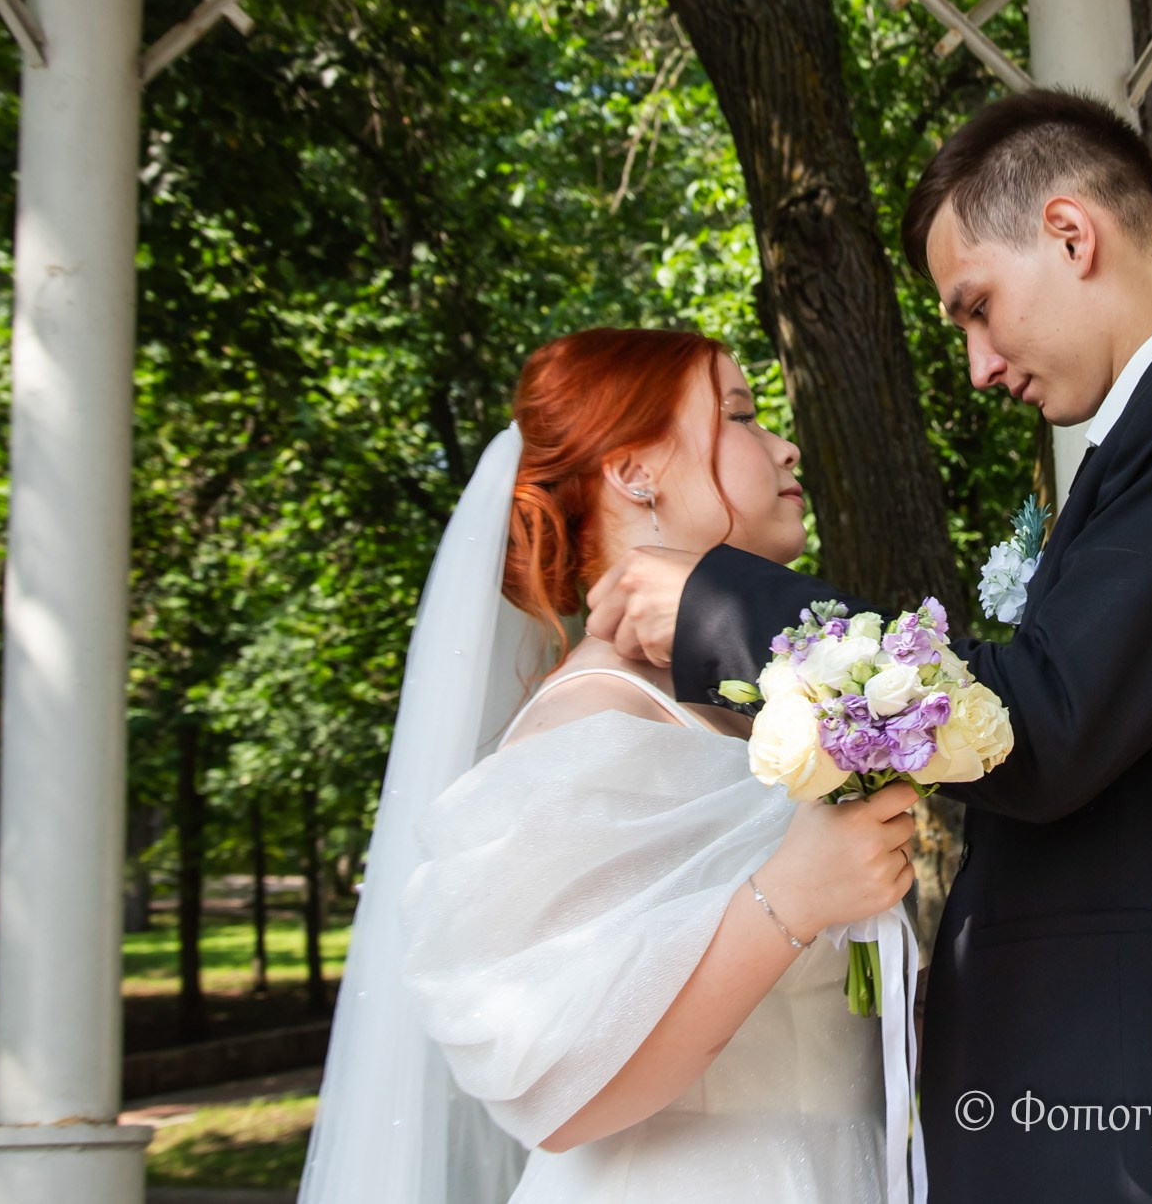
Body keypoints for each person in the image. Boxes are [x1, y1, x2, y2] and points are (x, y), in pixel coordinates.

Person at [586, 89, 1152, 1202]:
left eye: (974, 307)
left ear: (1070, 233)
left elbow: (1045, 721)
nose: (975, 365)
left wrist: (724, 610)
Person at [295, 327, 926, 1204]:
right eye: (741, 414)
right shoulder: (588, 719)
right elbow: (554, 1087)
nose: (784, 444)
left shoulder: (751, 703)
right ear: (635, 472)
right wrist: (795, 894)